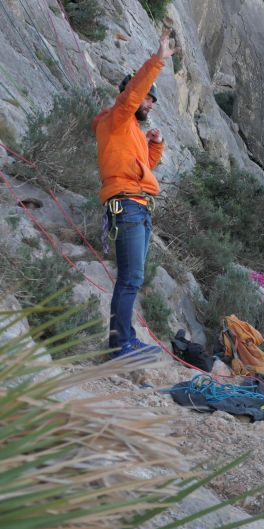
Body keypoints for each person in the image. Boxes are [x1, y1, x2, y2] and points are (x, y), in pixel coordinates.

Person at [93, 28, 178, 359]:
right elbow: (132, 95)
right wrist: (158, 60)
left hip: (139, 205)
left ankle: (124, 340)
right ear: (131, 94)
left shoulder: (132, 132)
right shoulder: (118, 118)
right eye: (148, 98)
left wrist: (155, 146)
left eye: (153, 101)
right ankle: (120, 345)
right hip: (126, 205)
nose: (150, 103)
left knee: (132, 278)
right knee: (129, 279)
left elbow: (145, 171)